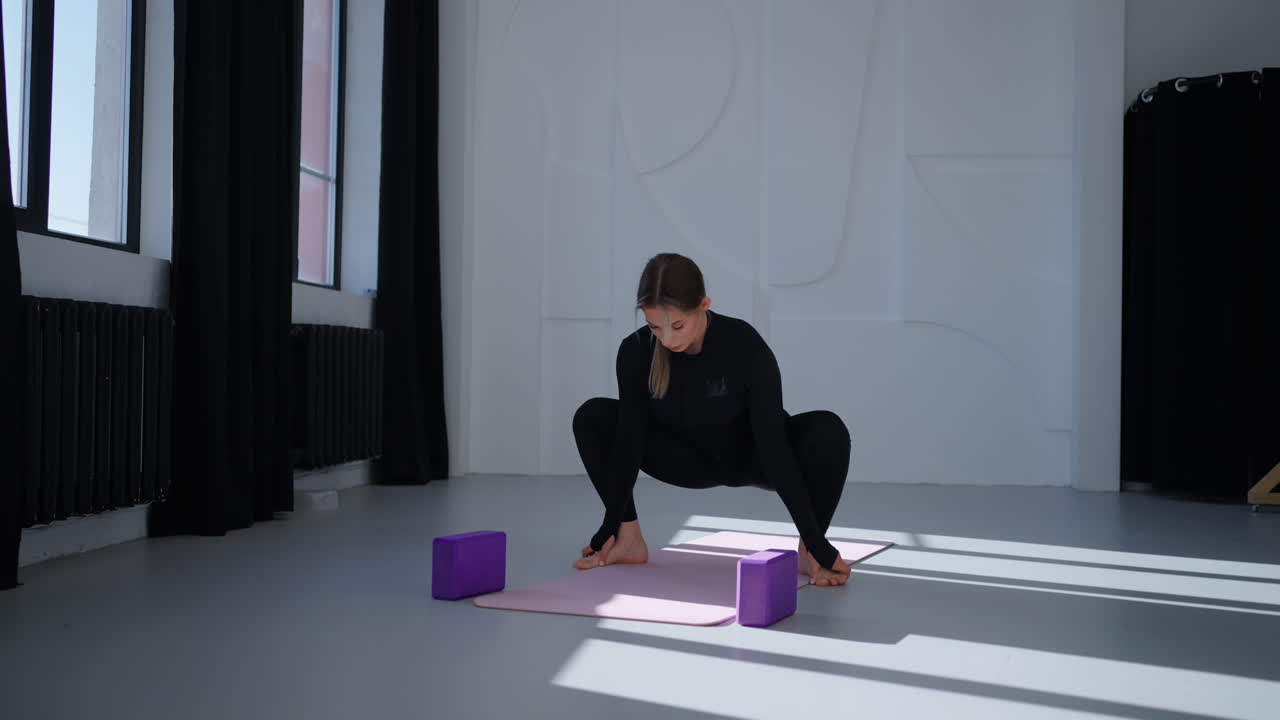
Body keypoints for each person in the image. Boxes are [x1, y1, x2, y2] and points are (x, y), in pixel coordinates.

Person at [572, 253, 854, 586]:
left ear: (704, 304)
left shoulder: (743, 345)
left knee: (828, 431)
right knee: (593, 416)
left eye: (677, 325)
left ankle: (808, 552)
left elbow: (774, 447)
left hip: (749, 458)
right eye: (654, 326)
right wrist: (609, 526)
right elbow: (629, 443)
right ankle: (628, 540)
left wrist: (819, 544)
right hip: (682, 459)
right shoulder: (635, 352)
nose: (668, 339)